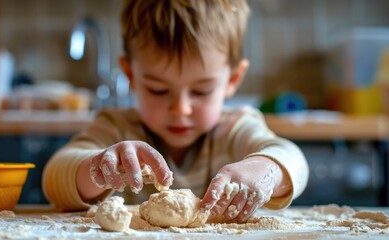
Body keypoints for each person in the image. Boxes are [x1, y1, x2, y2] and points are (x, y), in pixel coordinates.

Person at [42, 0, 309, 223]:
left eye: (201, 91)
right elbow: (54, 177)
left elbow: (293, 159)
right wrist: (99, 167)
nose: (180, 109)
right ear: (131, 75)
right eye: (158, 90)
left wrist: (265, 169)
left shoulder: (235, 128)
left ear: (232, 80)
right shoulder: (115, 127)